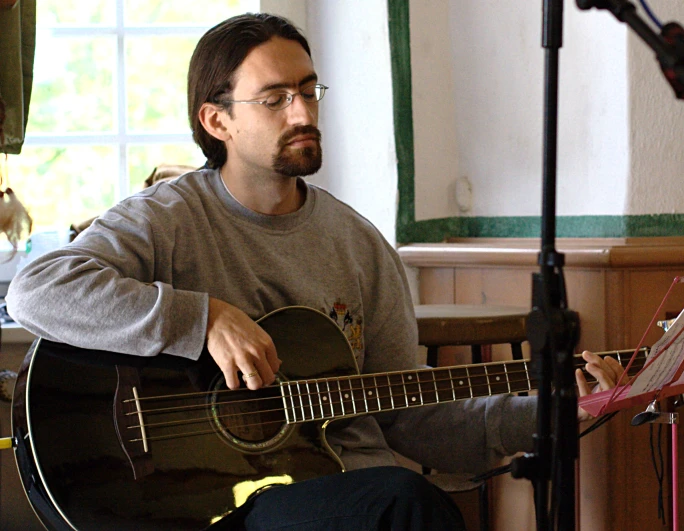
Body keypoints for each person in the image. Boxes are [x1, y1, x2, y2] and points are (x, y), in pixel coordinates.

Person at [6, 13, 624, 531]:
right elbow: (36, 291)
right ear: (217, 121)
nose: (302, 111)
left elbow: (413, 418)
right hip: (205, 504)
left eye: (309, 90)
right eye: (275, 98)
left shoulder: (357, 243)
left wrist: (553, 410)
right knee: (405, 504)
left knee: (407, 500)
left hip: (341, 490)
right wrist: (204, 320)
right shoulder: (168, 219)